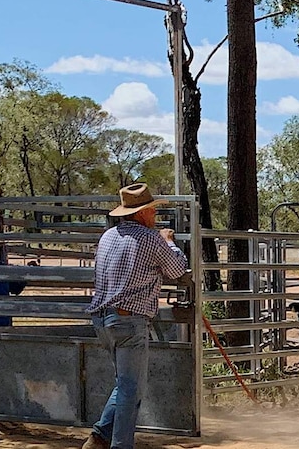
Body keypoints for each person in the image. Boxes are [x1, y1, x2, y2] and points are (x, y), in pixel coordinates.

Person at [82, 183, 188, 449]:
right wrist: (169, 242)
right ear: (142, 213)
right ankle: (119, 444)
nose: (153, 214)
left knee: (124, 384)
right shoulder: (151, 238)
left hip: (103, 319)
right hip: (129, 320)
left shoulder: (107, 236)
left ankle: (99, 437)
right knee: (131, 389)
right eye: (151, 209)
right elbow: (177, 270)